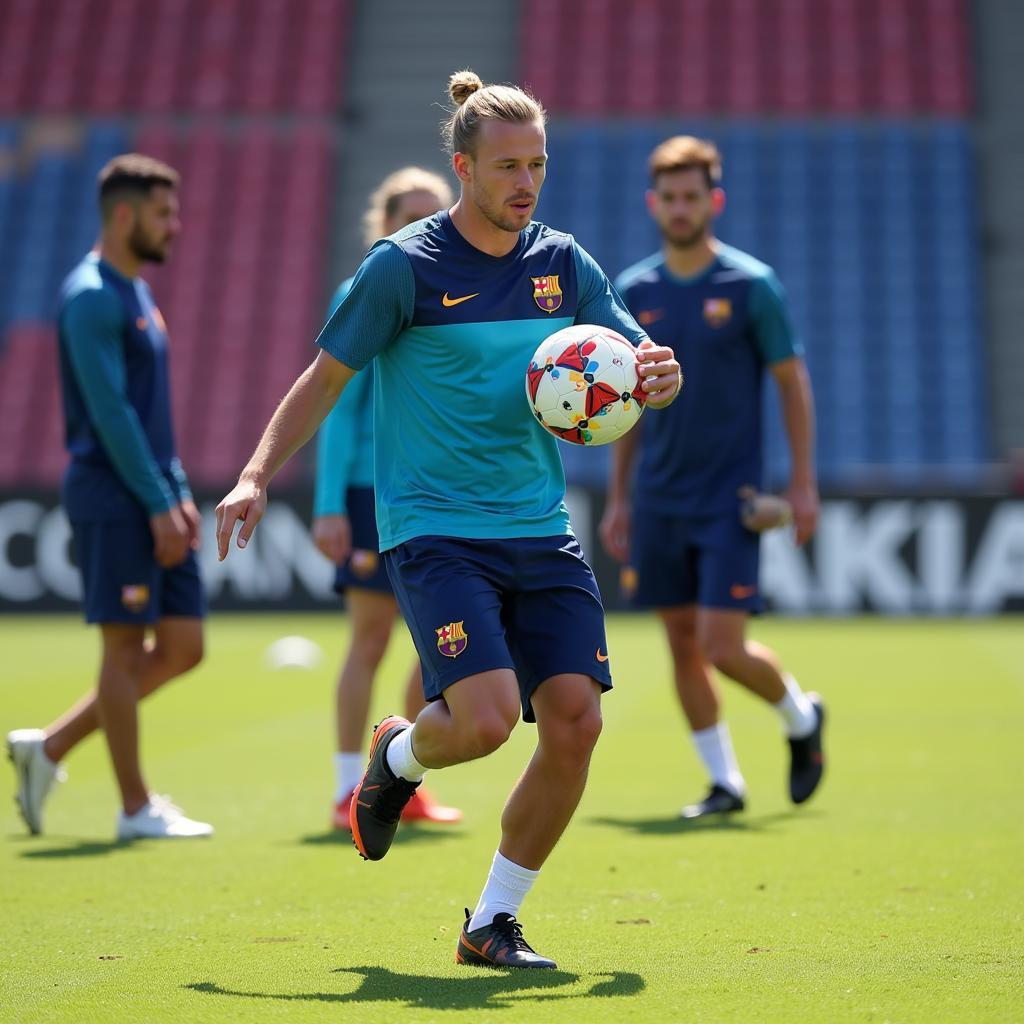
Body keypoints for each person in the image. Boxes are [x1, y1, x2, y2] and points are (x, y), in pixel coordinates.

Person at [215, 70, 681, 969]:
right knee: (487, 721)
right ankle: (398, 759)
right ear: (462, 167)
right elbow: (323, 382)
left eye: (538, 164)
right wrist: (254, 474)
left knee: (577, 722)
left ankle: (490, 922)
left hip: (539, 527)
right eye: (507, 165)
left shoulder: (564, 264)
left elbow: (630, 360)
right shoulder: (402, 268)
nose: (526, 183)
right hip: (434, 530)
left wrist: (661, 377)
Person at [600, 135, 826, 820]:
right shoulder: (635, 290)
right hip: (659, 498)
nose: (679, 207)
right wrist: (619, 497)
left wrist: (802, 484)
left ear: (713, 202)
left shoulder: (751, 286)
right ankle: (724, 783)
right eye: (668, 197)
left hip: (730, 498)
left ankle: (799, 714)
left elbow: (791, 383)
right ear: (653, 204)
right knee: (679, 641)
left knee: (722, 647)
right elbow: (623, 402)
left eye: (691, 196)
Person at [6, 154, 212, 840]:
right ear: (123, 215)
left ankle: (51, 747)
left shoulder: (135, 291)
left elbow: (152, 415)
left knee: (184, 646)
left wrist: (177, 493)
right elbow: (111, 412)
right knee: (124, 650)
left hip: (155, 489)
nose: (175, 226)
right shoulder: (91, 295)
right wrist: (157, 501)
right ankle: (134, 809)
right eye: (163, 213)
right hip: (113, 495)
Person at [313, 167, 461, 831]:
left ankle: (400, 775)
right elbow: (340, 409)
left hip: (438, 493)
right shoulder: (362, 290)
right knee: (369, 641)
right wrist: (328, 503)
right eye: (410, 216)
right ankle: (350, 789)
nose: (424, 227)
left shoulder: (458, 291)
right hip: (373, 493)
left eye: (434, 214)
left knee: (437, 646)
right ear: (383, 225)